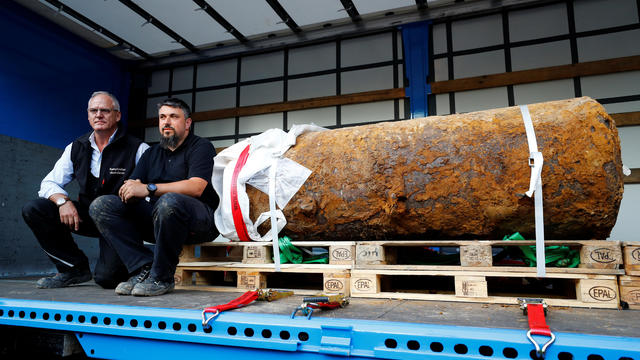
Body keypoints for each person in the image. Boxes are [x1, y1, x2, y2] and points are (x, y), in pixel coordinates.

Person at [89, 98, 219, 296]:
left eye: (174, 117)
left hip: (199, 222)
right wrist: (131, 192)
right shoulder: (151, 153)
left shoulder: (201, 146)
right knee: (102, 205)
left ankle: (162, 278)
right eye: (162, 117)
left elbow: (196, 187)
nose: (166, 122)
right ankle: (143, 267)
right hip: (160, 221)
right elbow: (131, 186)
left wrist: (148, 189)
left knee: (170, 201)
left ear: (187, 123)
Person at [22, 91, 149, 289]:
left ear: (117, 115)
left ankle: (137, 265)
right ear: (88, 116)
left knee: (107, 279)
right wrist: (63, 202)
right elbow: (48, 184)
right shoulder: (76, 146)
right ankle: (73, 268)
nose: (99, 115)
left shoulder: (138, 148)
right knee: (35, 209)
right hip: (87, 216)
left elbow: (150, 192)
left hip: (120, 222)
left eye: (105, 110)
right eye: (94, 110)